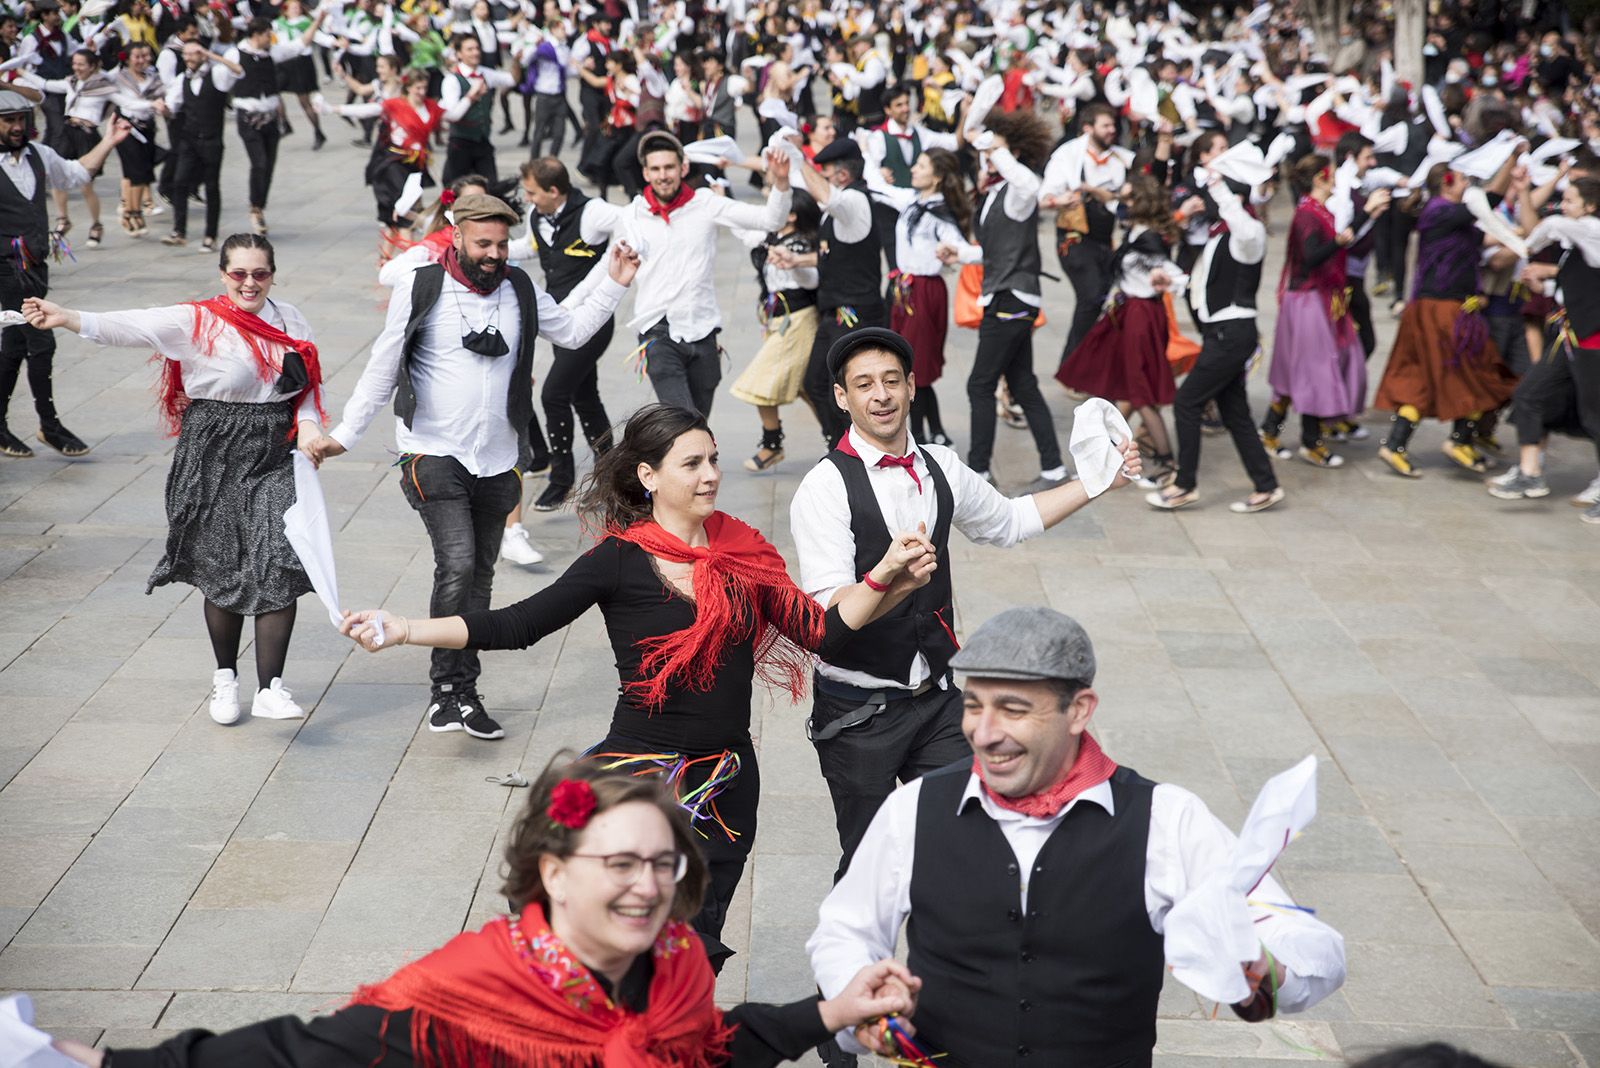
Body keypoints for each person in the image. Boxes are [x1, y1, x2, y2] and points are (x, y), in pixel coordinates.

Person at [342, 404, 938, 967]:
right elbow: (517, 625)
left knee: (696, 945)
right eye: (692, 463)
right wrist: (405, 629)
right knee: (624, 946)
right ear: (648, 476)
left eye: (713, 459)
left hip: (727, 782)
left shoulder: (742, 551)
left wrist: (887, 578)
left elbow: (821, 633)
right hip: (638, 777)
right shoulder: (619, 560)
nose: (710, 475)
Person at [53, 759, 922, 1067]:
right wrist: (115, 1064)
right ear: (555, 873)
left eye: (663, 864)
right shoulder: (468, 992)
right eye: (620, 864)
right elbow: (299, 1054)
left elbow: (708, 1048)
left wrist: (829, 1013)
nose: (648, 887)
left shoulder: (676, 965)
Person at [806, 606, 1347, 1067]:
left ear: (1079, 710)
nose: (984, 733)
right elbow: (845, 930)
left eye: (1013, 710)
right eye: (973, 706)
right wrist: (865, 996)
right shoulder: (915, 808)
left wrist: (1258, 962)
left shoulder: (1167, 820)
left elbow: (1311, 949)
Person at [788, 327, 1141, 904]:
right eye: (864, 385)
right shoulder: (824, 488)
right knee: (871, 869)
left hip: (938, 702)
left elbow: (1009, 521)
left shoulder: (940, 466)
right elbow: (827, 621)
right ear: (841, 397)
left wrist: (1098, 482)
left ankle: (957, 959)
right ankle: (849, 963)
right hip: (858, 715)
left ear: (912, 386)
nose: (881, 395)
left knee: (969, 848)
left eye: (891, 381)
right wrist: (886, 575)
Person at [306, 194, 636, 741]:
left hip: (499, 459)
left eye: (502, 244)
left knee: (479, 576)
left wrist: (614, 281)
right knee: (457, 562)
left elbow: (574, 331)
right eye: (484, 243)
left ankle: (464, 691)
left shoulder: (519, 288)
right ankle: (445, 689)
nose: (494, 254)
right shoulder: (421, 286)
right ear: (456, 236)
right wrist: (343, 435)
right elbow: (383, 366)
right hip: (431, 451)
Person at [22, 234, 324, 724]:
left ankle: (271, 688)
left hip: (273, 449)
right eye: (239, 273)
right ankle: (225, 679)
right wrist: (68, 317)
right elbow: (131, 326)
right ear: (223, 274)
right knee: (222, 566)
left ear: (273, 274)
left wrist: (308, 425)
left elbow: (307, 385)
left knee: (281, 561)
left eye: (260, 273)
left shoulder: (290, 319)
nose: (250, 283)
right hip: (214, 450)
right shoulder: (197, 320)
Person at [588, 131, 793, 418]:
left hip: (703, 329)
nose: (663, 176)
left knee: (699, 423)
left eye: (669, 167)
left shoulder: (706, 204)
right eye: (655, 169)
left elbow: (771, 220)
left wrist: (781, 183)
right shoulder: (632, 216)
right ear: (645, 173)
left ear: (682, 168)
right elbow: (604, 269)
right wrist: (570, 309)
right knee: (683, 421)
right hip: (657, 331)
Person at [1149, 144, 1284, 513]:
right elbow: (1205, 283)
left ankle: (1184, 484)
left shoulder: (1247, 232)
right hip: (1221, 334)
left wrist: (1220, 186)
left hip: (1231, 335)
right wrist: (1173, 283)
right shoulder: (1221, 234)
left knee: (1186, 402)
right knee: (1235, 412)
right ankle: (1266, 484)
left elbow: (1246, 231)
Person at [937, 112, 1069, 485]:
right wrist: (960, 253)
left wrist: (998, 150)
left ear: (1011, 153)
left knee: (979, 384)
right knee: (1023, 384)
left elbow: (1031, 185)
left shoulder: (1017, 192)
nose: (987, 157)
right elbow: (995, 250)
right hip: (1006, 296)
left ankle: (979, 471)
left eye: (994, 151)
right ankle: (1054, 467)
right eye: (985, 153)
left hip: (1012, 299)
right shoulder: (996, 194)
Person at [0, 91, 130, 460]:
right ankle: (50, 424)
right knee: (41, 339)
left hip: (35, 267)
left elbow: (76, 173)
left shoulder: (39, 155)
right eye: (8, 120)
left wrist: (109, 141)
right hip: (6, 268)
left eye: (21, 119)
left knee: (15, 345)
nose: (17, 127)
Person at [1374, 156, 1522, 479]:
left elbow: (1483, 237)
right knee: (1476, 373)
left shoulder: (1452, 219)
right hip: (1440, 310)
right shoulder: (1439, 211)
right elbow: (1491, 199)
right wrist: (1511, 157)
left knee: (1423, 378)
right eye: (1463, 180)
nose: (1468, 185)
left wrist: (1526, 233)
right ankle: (1458, 441)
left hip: (1443, 308)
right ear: (1447, 183)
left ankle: (1397, 445)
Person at [1055, 173, 1185, 484]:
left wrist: (1166, 281)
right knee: (1125, 388)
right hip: (1128, 312)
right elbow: (1111, 202)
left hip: (1141, 315)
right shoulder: (1134, 227)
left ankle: (1167, 464)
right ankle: (1107, 458)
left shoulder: (1149, 238)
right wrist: (1089, 188)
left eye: (1128, 198)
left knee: (1138, 391)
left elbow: (1177, 276)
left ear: (1141, 202)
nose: (1122, 203)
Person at [1489, 176, 1600, 524]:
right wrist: (1546, 285)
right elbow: (1579, 283)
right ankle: (1530, 473)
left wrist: (1522, 243)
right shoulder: (1577, 240)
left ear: (1590, 206)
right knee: (1529, 393)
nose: (1563, 207)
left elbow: (1550, 227)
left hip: (1593, 340)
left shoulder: (1592, 231)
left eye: (1569, 200)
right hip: (1569, 334)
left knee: (1596, 416)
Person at [515, 156, 621, 513]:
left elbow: (631, 222)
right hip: (561, 323)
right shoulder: (538, 215)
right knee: (584, 396)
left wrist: (608, 267)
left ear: (553, 190)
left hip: (593, 321)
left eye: (532, 192)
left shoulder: (591, 213)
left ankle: (561, 480)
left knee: (554, 394)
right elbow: (529, 246)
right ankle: (611, 475)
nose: (527, 198)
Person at [1258, 155, 1369, 469]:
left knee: (1300, 370)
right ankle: (1311, 442)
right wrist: (1338, 241)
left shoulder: (1318, 210)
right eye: (1331, 174)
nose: (1334, 179)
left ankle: (1270, 431)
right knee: (1315, 371)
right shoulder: (1307, 213)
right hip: (1306, 301)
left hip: (1315, 299)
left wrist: (1366, 215)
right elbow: (1310, 257)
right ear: (1320, 178)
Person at [866, 147, 969, 446]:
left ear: (936, 177)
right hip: (903, 290)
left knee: (915, 366)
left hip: (925, 291)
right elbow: (877, 186)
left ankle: (922, 437)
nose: (913, 169)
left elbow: (961, 248)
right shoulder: (910, 200)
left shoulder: (941, 214)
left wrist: (953, 252)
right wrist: (868, 153)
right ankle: (935, 431)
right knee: (908, 362)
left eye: (921, 166)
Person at [791, 138, 887, 447]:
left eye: (826, 173)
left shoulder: (853, 201)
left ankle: (860, 452)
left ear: (842, 175)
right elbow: (834, 254)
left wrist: (798, 157)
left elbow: (827, 197)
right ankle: (842, 448)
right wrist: (795, 260)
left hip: (854, 314)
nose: (822, 180)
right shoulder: (842, 207)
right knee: (817, 383)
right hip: (835, 312)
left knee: (848, 391)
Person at [1041, 103, 1132, 374]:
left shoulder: (1120, 159)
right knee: (1091, 296)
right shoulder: (1068, 155)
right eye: (1106, 126)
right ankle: (1071, 368)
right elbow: (1045, 196)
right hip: (1074, 239)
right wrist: (1059, 199)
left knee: (1099, 299)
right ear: (1088, 128)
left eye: (1113, 125)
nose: (1112, 130)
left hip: (1104, 240)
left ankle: (1085, 365)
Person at [226, 15, 322, 237]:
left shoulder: (272, 53)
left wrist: (318, 21)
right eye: (268, 35)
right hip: (248, 117)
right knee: (258, 162)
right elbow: (222, 78)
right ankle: (254, 206)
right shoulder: (235, 54)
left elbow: (300, 44)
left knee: (268, 164)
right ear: (256, 35)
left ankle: (259, 206)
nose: (271, 38)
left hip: (270, 117)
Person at [161, 40, 243, 251]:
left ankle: (210, 236)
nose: (188, 58)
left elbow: (238, 70)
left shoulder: (217, 75)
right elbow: (172, 106)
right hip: (189, 139)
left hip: (211, 140)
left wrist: (212, 56)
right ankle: (179, 231)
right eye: (186, 54)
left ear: (202, 55)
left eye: (193, 53)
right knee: (180, 182)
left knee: (211, 187)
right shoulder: (182, 79)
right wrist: (163, 109)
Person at [440, 33, 514, 184]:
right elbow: (452, 115)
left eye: (477, 48)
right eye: (470, 49)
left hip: (482, 140)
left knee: (490, 186)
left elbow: (511, 80)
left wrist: (518, 59)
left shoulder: (485, 73)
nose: (475, 52)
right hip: (460, 143)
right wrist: (471, 96)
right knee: (456, 187)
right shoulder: (451, 80)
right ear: (459, 54)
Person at [109, 40, 165, 238]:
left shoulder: (153, 77)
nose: (143, 60)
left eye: (146, 56)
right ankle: (132, 212)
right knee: (135, 171)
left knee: (144, 172)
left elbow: (163, 96)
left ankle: (133, 211)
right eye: (138, 57)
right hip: (126, 129)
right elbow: (127, 103)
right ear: (128, 59)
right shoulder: (118, 78)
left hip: (147, 128)